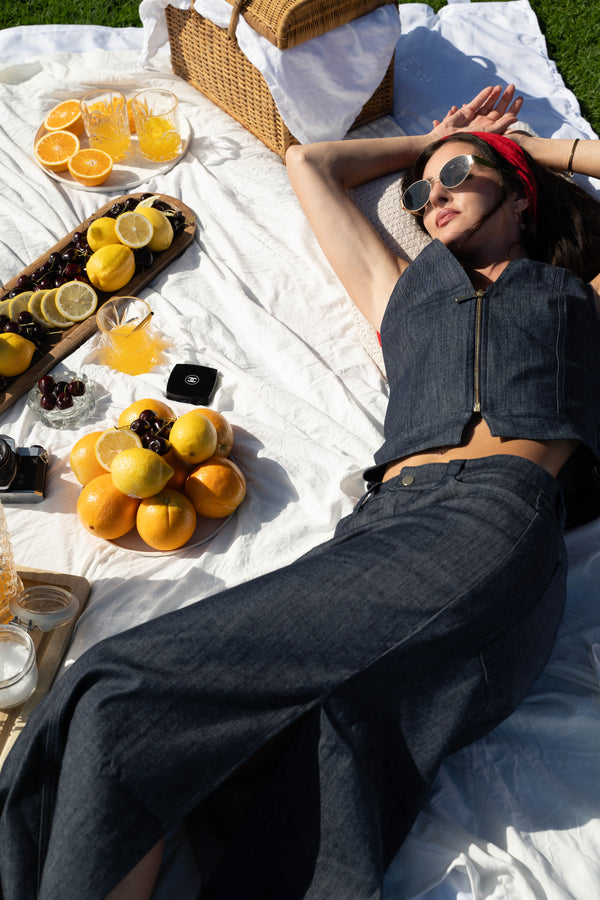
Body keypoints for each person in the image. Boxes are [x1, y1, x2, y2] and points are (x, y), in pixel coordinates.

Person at [1, 85, 600, 900]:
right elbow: (308, 163)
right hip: (389, 529)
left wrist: (540, 148)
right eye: (421, 194)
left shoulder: (577, 296)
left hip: (489, 517)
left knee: (118, 693)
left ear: (520, 192)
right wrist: (433, 140)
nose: (434, 196)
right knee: (298, 785)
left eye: (456, 174)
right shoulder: (406, 294)